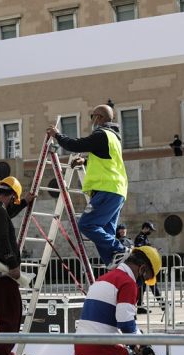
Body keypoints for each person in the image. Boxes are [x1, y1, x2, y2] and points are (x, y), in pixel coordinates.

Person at [46, 104, 130, 268]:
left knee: (87, 224)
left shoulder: (101, 134)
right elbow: (106, 160)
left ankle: (120, 248)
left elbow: (75, 145)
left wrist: (57, 135)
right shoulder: (114, 138)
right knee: (105, 232)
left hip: (106, 189)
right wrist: (85, 160)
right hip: (117, 190)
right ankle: (115, 266)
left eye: (92, 117)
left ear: (98, 117)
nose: (91, 121)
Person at [74, 246, 162, 355]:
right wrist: (138, 345)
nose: (144, 282)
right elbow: (126, 324)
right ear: (142, 269)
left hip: (82, 350)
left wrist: (136, 340)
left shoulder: (103, 278)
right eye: (147, 277)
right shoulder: (127, 283)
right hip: (103, 351)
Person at [0, 176, 34, 355]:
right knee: (10, 315)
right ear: (12, 196)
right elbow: (2, 238)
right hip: (0, 273)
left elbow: (5, 214)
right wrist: (13, 265)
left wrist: (25, 202)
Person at [133, 222, 164, 313]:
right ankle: (162, 305)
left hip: (145, 266)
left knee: (144, 287)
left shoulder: (144, 238)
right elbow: (140, 249)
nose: (150, 231)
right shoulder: (140, 238)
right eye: (150, 229)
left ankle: (140, 306)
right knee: (152, 286)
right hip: (144, 267)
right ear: (145, 228)